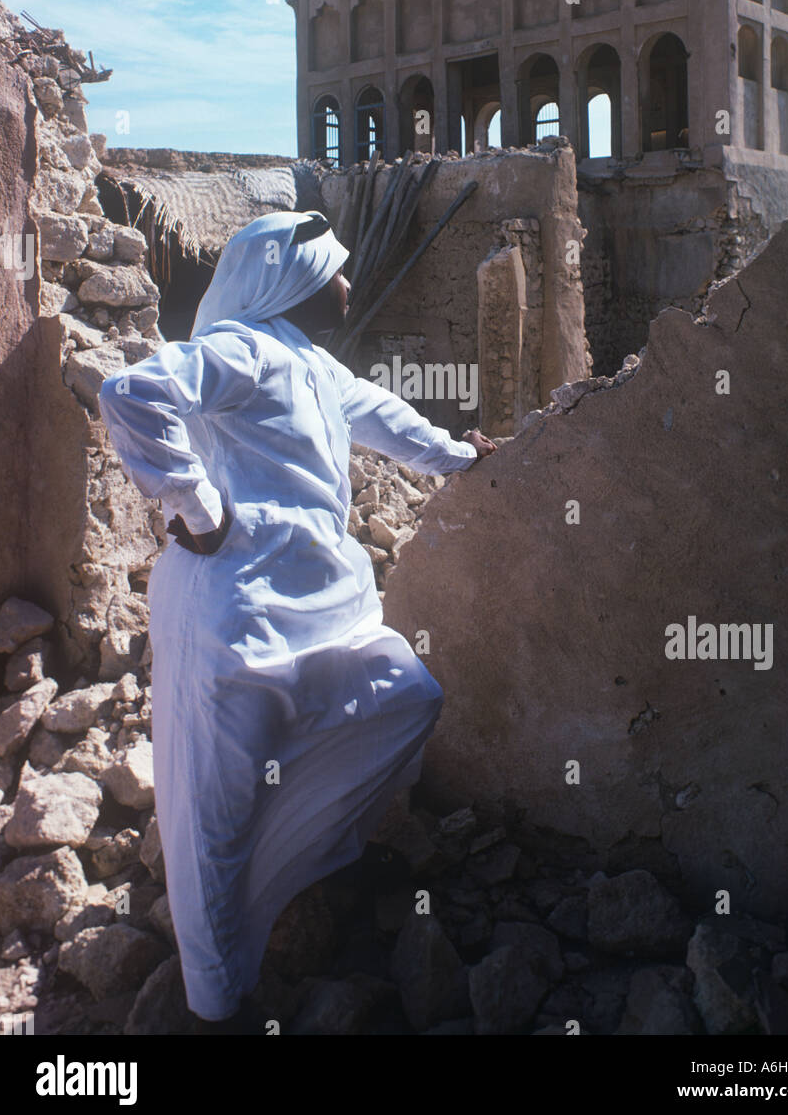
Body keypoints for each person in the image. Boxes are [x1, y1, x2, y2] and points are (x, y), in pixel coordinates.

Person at [97, 208, 496, 1034]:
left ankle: (299, 866)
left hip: (320, 610)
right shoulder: (245, 349)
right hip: (234, 616)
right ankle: (215, 1005)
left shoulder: (313, 364)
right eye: (334, 271)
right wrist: (196, 508)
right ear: (294, 283)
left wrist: (463, 456)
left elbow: (388, 419)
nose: (347, 283)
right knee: (218, 813)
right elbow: (133, 392)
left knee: (404, 696)